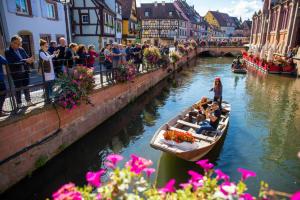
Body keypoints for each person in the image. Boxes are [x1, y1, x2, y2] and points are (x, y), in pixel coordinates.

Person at [5, 35, 34, 108]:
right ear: (12, 42)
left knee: (26, 87)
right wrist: (25, 60)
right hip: (16, 73)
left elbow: (26, 57)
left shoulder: (21, 49)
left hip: (25, 71)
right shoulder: (8, 51)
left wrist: (30, 60)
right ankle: (19, 104)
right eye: (17, 43)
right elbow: (11, 62)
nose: (18, 45)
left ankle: (28, 101)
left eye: (19, 43)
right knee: (18, 88)